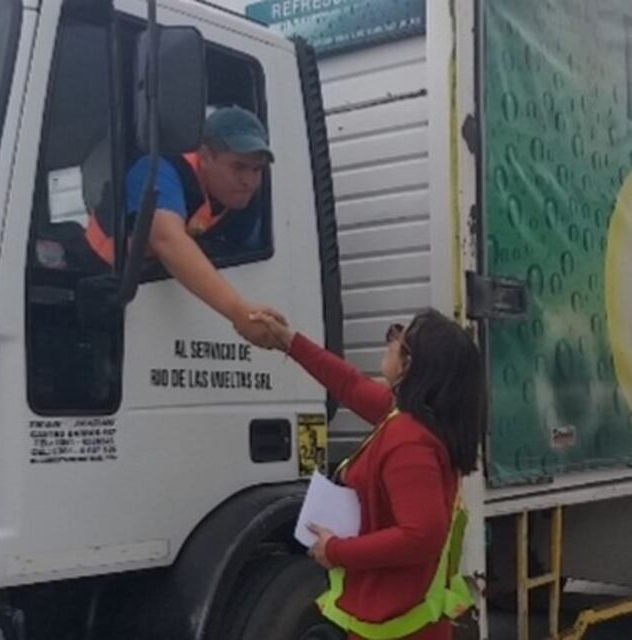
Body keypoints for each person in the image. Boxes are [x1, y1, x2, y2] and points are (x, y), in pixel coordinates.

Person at [252, 309, 483, 640]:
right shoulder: (408, 418)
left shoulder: (410, 441)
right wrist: (288, 341)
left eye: (399, 336)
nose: (389, 340)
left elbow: (421, 536)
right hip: (402, 621)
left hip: (399, 628)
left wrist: (336, 551)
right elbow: (348, 383)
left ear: (412, 364)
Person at [85, 106, 284, 348]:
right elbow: (167, 240)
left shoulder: (240, 202)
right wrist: (240, 313)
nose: (250, 182)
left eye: (257, 169)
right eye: (239, 167)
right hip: (101, 297)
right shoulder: (156, 171)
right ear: (206, 156)